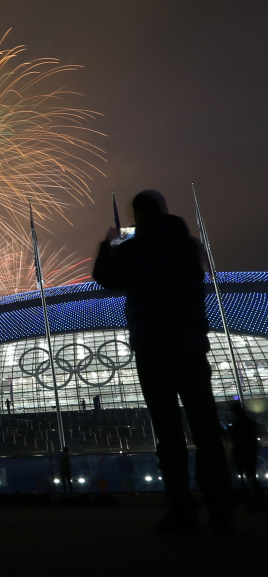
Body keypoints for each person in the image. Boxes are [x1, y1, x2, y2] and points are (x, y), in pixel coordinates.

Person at [93, 189, 232, 533]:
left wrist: (108, 244)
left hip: (153, 346)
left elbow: (105, 278)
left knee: (168, 432)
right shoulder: (188, 246)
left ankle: (182, 510)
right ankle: (220, 507)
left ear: (137, 217)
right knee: (206, 428)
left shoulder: (134, 248)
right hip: (191, 344)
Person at [228, 403, 265, 510]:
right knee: (252, 478)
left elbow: (233, 440)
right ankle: (260, 500)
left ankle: (251, 501)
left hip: (241, 454)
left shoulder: (236, 426)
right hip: (249, 454)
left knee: (244, 480)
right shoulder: (250, 423)